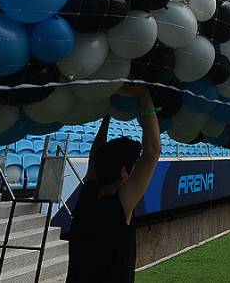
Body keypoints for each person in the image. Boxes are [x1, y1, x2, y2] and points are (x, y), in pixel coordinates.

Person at [66, 85, 162, 283]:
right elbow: (152, 150)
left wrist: (107, 114)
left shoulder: (87, 196)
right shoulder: (119, 205)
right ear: (124, 172)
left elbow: (95, 158)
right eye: (134, 166)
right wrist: (143, 94)